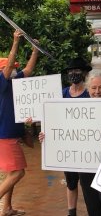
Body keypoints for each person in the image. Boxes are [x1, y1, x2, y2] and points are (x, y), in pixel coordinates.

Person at [40, 73, 101, 216]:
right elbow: (64, 132)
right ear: (88, 89)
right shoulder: (79, 110)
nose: (97, 92)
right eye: (94, 88)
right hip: (86, 166)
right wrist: (48, 137)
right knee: (93, 207)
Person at [0, 30, 39, 216]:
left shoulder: (15, 81)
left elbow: (29, 70)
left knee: (11, 174)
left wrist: (35, 51)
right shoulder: (2, 81)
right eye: (10, 67)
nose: (14, 68)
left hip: (10, 134)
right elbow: (7, 68)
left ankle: (7, 208)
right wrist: (15, 41)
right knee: (18, 173)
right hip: (5, 135)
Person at [61, 57, 92, 216]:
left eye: (77, 71)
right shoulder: (63, 93)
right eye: (70, 71)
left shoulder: (90, 93)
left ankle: (94, 210)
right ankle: (71, 213)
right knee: (71, 183)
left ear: (85, 73)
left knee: (88, 183)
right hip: (69, 146)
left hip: (87, 146)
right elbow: (53, 117)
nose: (73, 74)